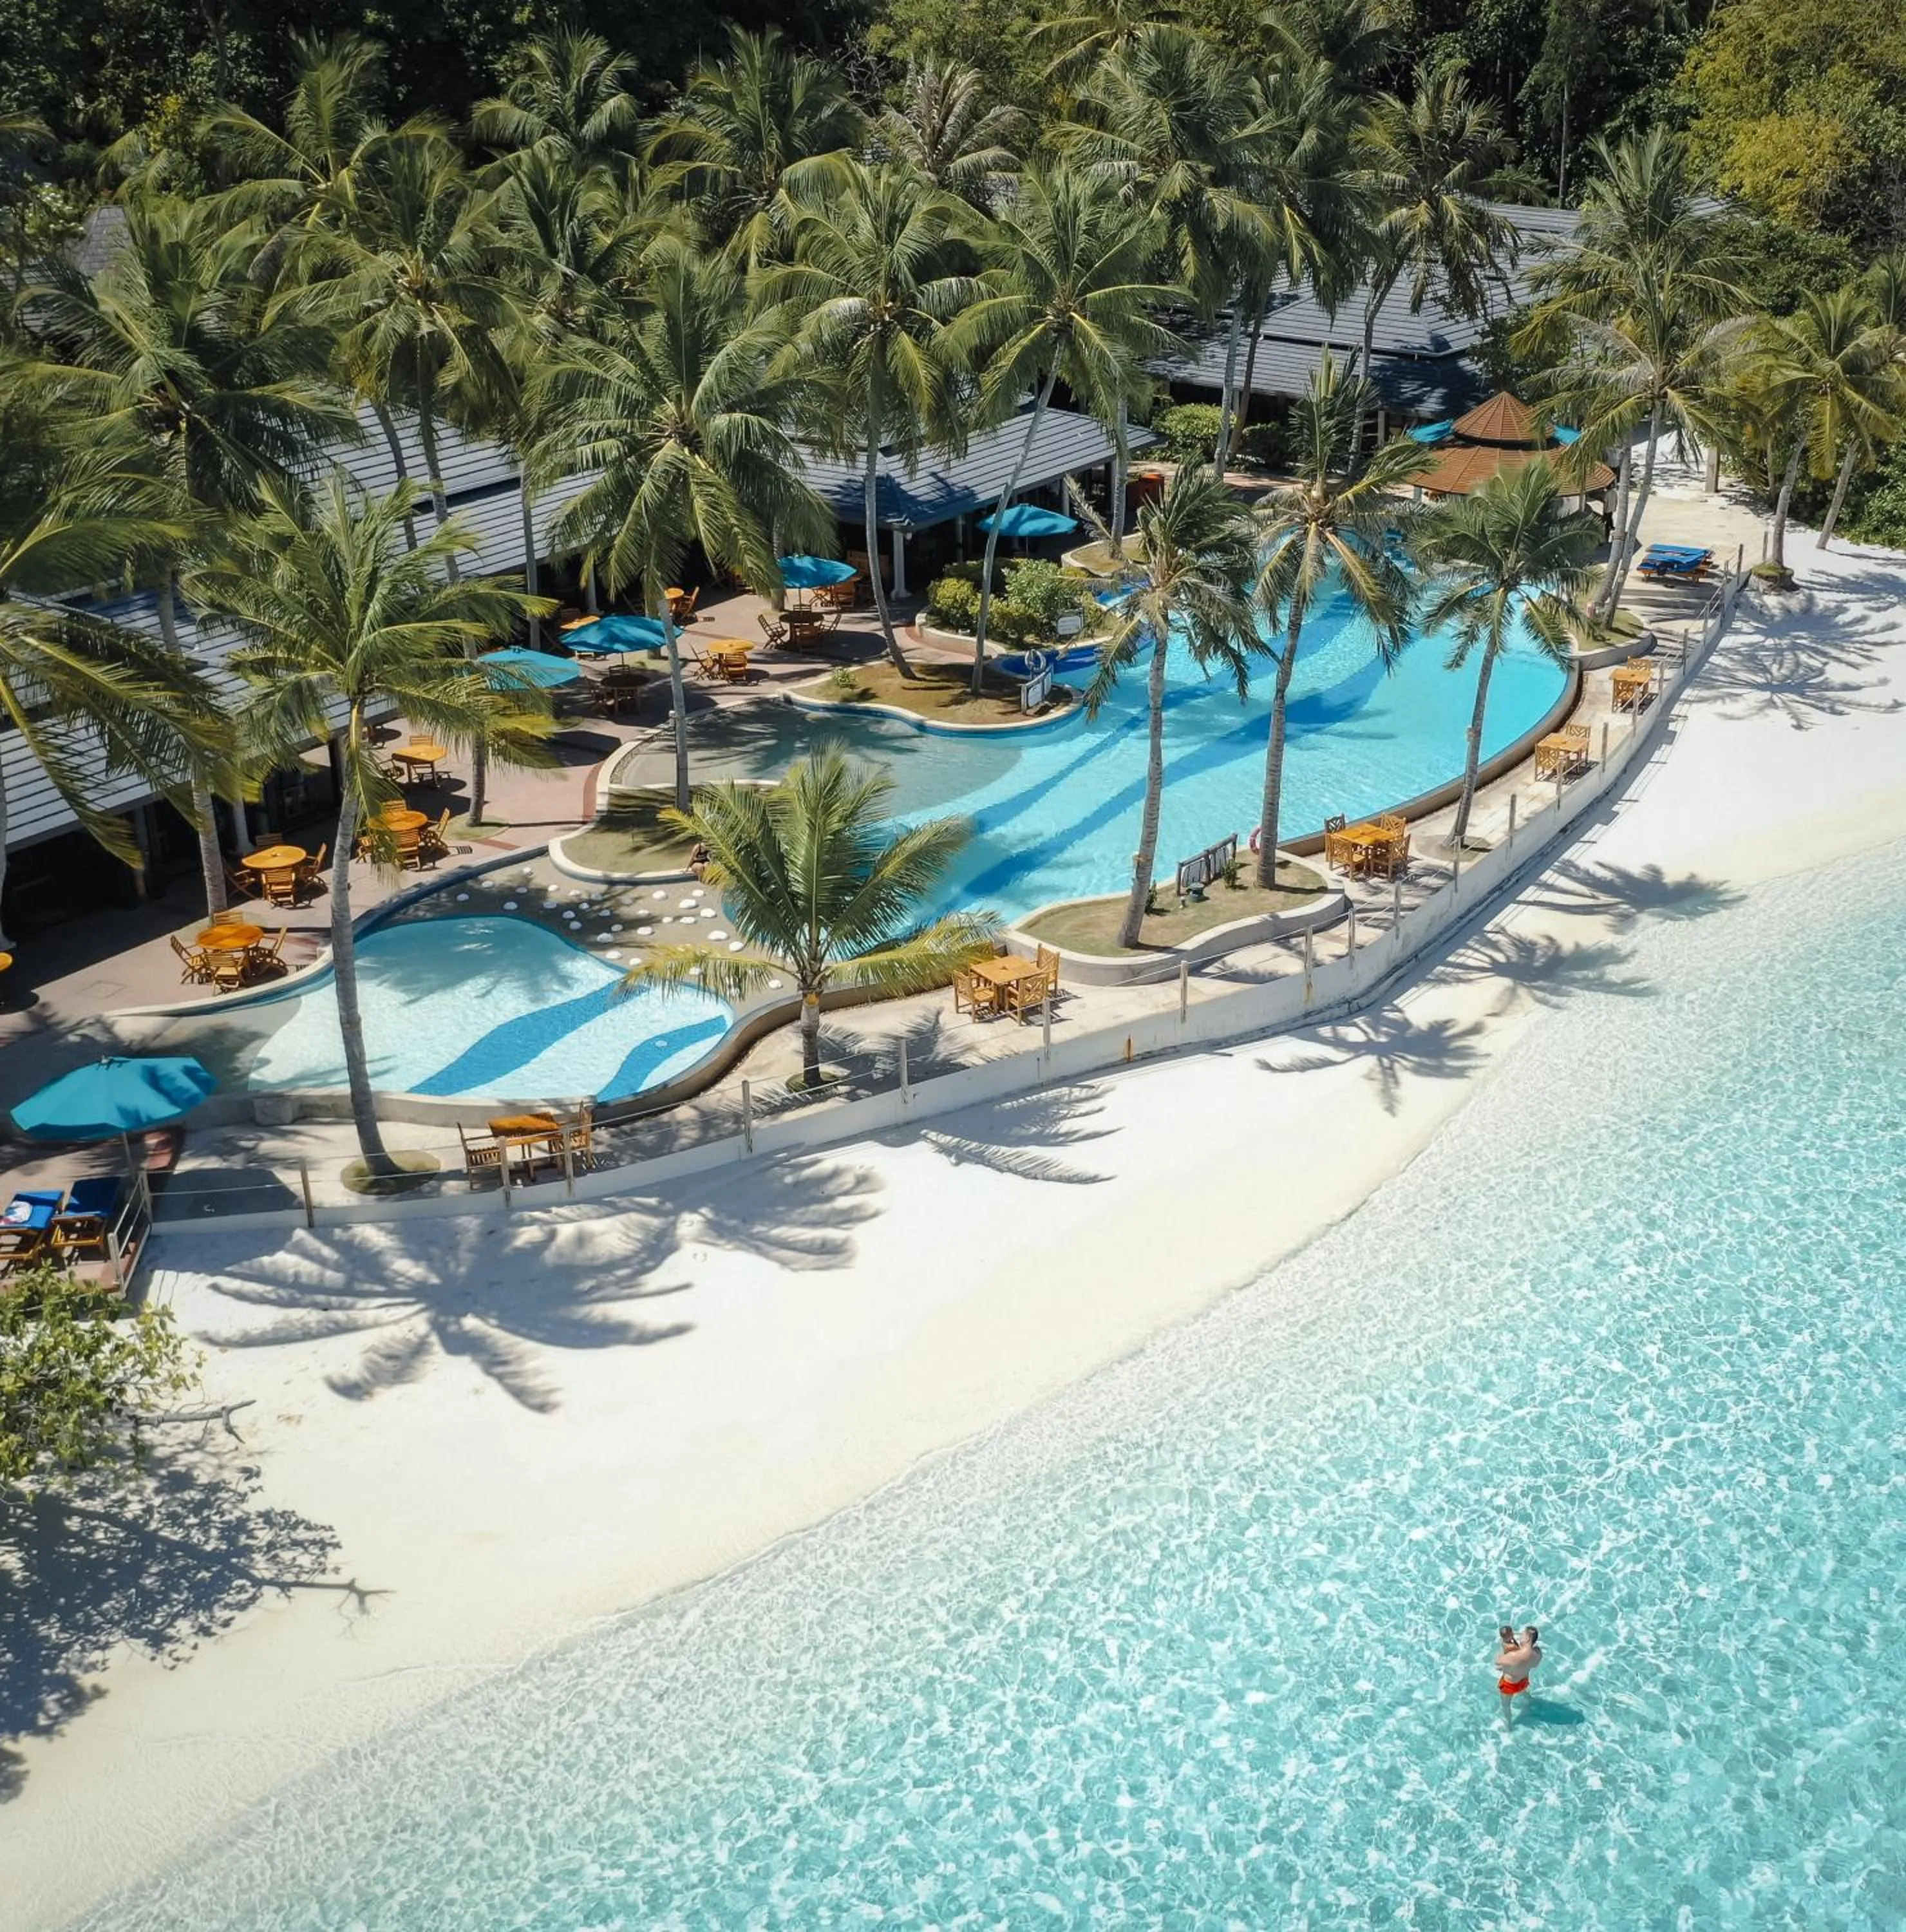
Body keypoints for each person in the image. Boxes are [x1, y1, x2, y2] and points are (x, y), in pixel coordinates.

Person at [1495, 1624, 1542, 1720]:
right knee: (1523, 1691)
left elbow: (1497, 1662)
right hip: (1523, 1681)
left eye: (1522, 1634)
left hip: (1509, 1685)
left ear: (1528, 1639)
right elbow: (1534, 1665)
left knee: (1506, 1707)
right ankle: (1530, 1701)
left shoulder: (1513, 1656)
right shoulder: (1538, 1653)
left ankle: (1509, 1726)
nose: (1520, 1635)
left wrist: (1504, 1646)